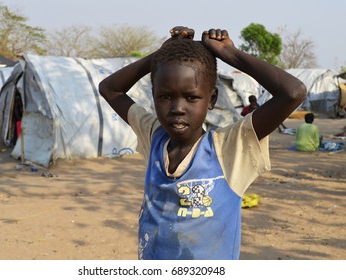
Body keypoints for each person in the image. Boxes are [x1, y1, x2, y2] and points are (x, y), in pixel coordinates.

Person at [99, 26, 307, 260]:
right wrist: (159, 55)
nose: (177, 108)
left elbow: (293, 92)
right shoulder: (153, 136)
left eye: (191, 97)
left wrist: (231, 54)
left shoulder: (229, 148)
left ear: (212, 99)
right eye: (165, 96)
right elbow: (109, 88)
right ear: (154, 95)